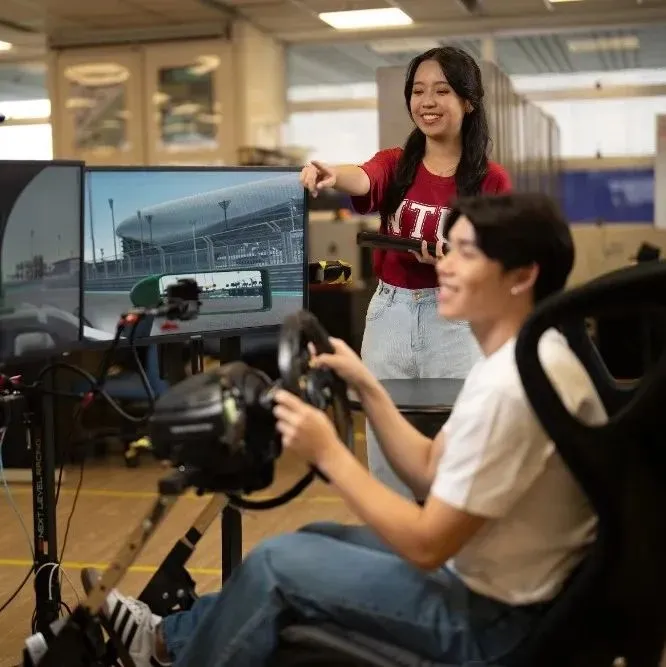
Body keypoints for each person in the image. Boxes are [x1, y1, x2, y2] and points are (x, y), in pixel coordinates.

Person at [35, 192, 609, 667]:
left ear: (522, 276)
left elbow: (427, 543)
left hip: (494, 626)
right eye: (448, 247)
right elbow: (431, 470)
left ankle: (170, 652)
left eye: (465, 253)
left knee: (277, 566)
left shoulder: (512, 386)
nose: (444, 264)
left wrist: (331, 452)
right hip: (495, 588)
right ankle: (165, 642)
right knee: (315, 538)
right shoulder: (523, 356)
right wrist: (367, 387)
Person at [300, 46, 512, 497]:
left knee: (459, 449)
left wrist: (457, 262)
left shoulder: (491, 180)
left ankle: (448, 534)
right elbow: (364, 177)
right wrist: (331, 173)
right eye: (418, 91)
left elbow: (499, 262)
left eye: (442, 91)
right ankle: (395, 534)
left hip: (456, 322)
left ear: (468, 102)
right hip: (389, 316)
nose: (427, 102)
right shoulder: (397, 163)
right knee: (386, 442)